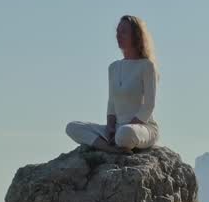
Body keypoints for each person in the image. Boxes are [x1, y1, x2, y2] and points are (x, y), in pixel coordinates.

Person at [65, 15, 159, 152]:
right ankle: (110, 148)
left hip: (142, 128)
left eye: (123, 32)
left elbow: (149, 106)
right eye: (117, 32)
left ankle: (117, 142)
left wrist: (125, 128)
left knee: (125, 134)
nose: (118, 35)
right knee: (72, 127)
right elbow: (112, 103)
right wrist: (110, 128)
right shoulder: (113, 67)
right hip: (117, 128)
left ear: (136, 35)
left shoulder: (146, 66)